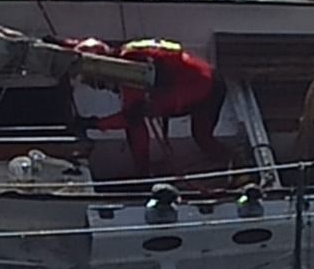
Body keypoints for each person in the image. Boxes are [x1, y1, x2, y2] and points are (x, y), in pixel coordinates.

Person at [67, 37, 230, 175]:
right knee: (136, 120)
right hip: (196, 78)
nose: (95, 86)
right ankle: (143, 169)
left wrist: (92, 123)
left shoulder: (132, 74)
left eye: (92, 81)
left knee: (202, 137)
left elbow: (129, 119)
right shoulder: (127, 54)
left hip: (206, 90)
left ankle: (231, 164)